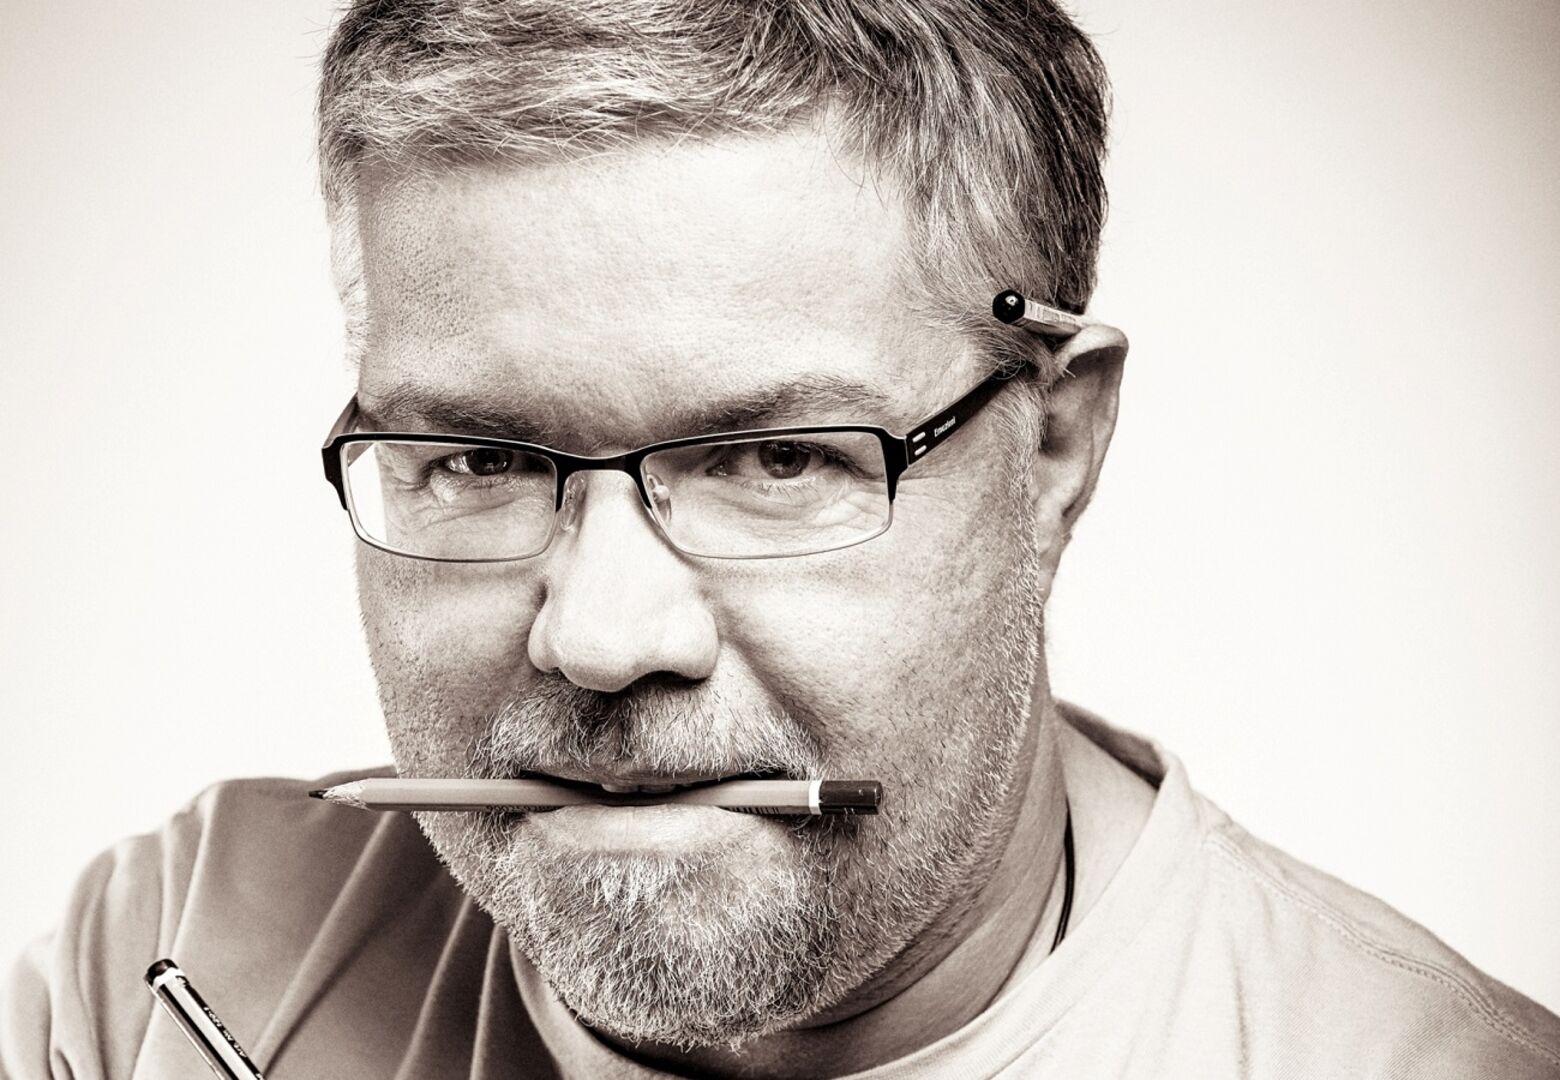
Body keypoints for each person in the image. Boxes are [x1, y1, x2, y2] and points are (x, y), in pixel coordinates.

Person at [3, 1, 1558, 1077]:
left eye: (774, 458)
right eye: (479, 457)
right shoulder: (168, 966)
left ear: (1054, 446)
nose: (602, 637)